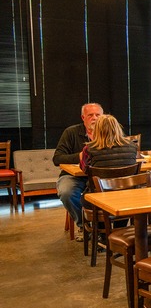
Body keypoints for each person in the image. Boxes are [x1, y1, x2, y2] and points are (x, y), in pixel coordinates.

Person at [53, 103, 103, 241]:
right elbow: (57, 158)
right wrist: (80, 156)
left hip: (100, 176)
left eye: (98, 115)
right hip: (74, 176)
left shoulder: (109, 132)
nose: (94, 118)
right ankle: (85, 226)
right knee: (66, 192)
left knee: (119, 190)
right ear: (83, 117)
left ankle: (108, 228)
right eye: (90, 115)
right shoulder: (71, 132)